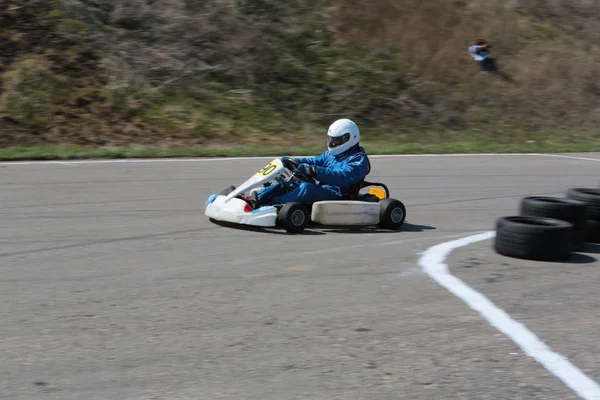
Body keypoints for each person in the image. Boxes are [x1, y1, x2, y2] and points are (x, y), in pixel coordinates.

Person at [249, 118, 371, 209]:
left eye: (336, 140)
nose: (333, 143)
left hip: (338, 194)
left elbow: (342, 177)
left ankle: (272, 206)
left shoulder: (358, 160)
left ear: (348, 138)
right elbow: (314, 161)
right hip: (324, 189)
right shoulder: (331, 154)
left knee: (307, 188)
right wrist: (294, 162)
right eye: (332, 139)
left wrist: (314, 171)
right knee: (288, 183)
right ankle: (254, 199)